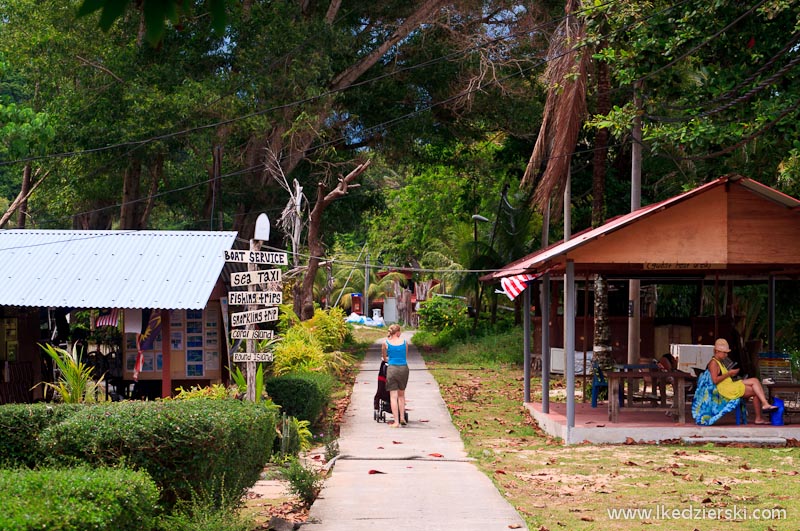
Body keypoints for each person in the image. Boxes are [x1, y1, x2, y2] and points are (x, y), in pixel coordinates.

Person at [708, 338, 776, 424]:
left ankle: (765, 404)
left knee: (755, 380)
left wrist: (731, 374)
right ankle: (761, 413)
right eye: (724, 352)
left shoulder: (720, 362)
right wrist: (729, 373)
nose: (726, 355)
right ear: (717, 351)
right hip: (725, 389)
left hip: (729, 384)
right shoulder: (713, 363)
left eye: (726, 353)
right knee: (756, 391)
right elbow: (715, 380)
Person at [381, 324, 409, 428]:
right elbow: (405, 357)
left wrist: (388, 359)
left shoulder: (385, 343)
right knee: (401, 395)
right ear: (398, 332)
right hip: (403, 369)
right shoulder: (405, 342)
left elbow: (384, 358)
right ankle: (402, 418)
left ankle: (396, 422)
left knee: (393, 397)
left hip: (392, 369)